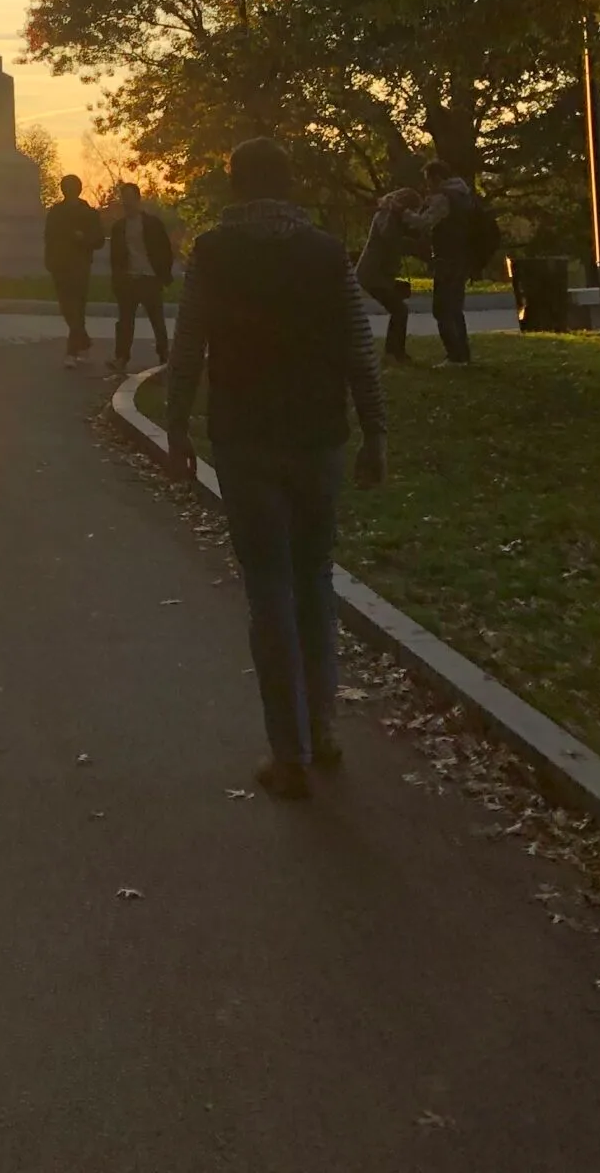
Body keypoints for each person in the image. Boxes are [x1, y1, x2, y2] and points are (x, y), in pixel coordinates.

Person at [165, 136, 386, 800]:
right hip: (318, 435)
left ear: (235, 186)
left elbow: (188, 345)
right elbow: (358, 344)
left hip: (244, 436)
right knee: (314, 579)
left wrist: (177, 425)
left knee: (267, 589)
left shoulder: (212, 253)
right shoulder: (325, 254)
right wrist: (374, 432)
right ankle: (322, 729)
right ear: (289, 186)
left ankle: (285, 752)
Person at [107, 181, 173, 376]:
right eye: (124, 198)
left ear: (138, 199)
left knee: (157, 320)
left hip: (150, 278)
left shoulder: (152, 224)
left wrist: (163, 276)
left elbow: (165, 251)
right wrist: (117, 279)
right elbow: (115, 257)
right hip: (128, 279)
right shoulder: (119, 227)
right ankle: (121, 357)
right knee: (125, 321)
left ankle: (164, 355)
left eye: (130, 198)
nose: (127, 203)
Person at [357, 186, 426, 364]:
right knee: (400, 310)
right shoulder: (385, 216)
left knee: (399, 310)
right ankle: (394, 352)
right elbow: (389, 237)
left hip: (377, 274)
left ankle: (395, 352)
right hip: (372, 274)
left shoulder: (388, 216)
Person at [43, 173, 103, 366]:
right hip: (60, 265)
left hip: (79, 265)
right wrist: (49, 261)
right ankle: (83, 340)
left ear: (77, 190)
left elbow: (99, 240)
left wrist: (83, 238)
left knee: (76, 307)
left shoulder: (88, 213)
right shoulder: (55, 212)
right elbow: (49, 237)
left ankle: (72, 350)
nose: (67, 190)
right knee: (67, 308)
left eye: (71, 187)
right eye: (65, 187)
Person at [420, 159, 476, 365]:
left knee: (441, 309)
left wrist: (402, 213)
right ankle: (463, 354)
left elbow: (424, 223)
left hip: (446, 258)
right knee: (454, 308)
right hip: (461, 256)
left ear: (437, 178)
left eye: (428, 180)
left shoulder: (444, 198)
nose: (427, 185)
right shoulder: (462, 195)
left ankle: (455, 355)